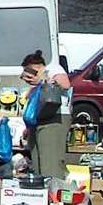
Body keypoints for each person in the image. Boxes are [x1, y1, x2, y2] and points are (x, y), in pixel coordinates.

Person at [21, 50, 72, 178]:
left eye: (29, 73)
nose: (28, 78)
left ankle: (53, 192)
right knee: (38, 161)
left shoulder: (52, 68)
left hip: (55, 118)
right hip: (39, 121)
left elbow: (66, 84)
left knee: (50, 161)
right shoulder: (34, 88)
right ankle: (41, 190)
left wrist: (43, 79)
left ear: (34, 68)